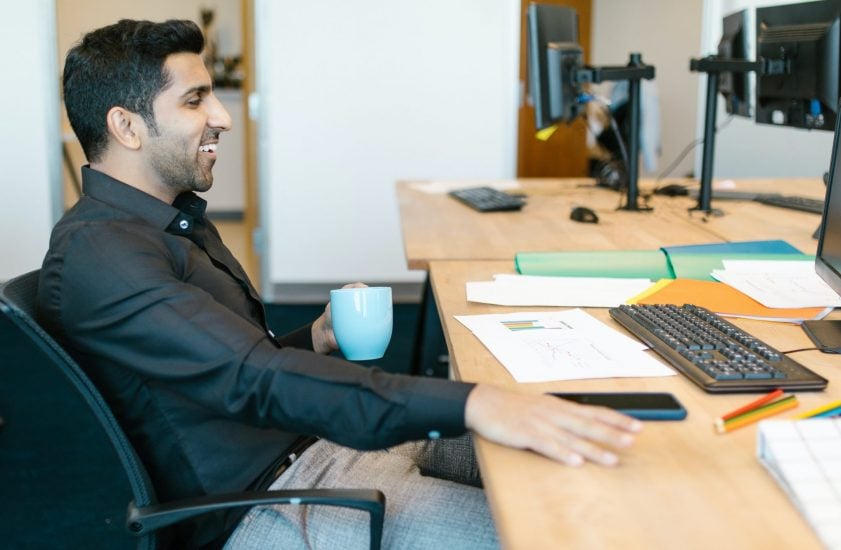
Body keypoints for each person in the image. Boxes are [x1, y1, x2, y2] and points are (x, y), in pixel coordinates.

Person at [38, 19, 642, 549]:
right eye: (196, 100)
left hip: (324, 445)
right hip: (278, 502)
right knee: (568, 530)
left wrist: (315, 338)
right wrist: (476, 401)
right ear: (126, 126)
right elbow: (253, 380)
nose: (221, 116)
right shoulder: (101, 254)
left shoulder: (170, 218)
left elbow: (225, 365)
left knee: (601, 461)